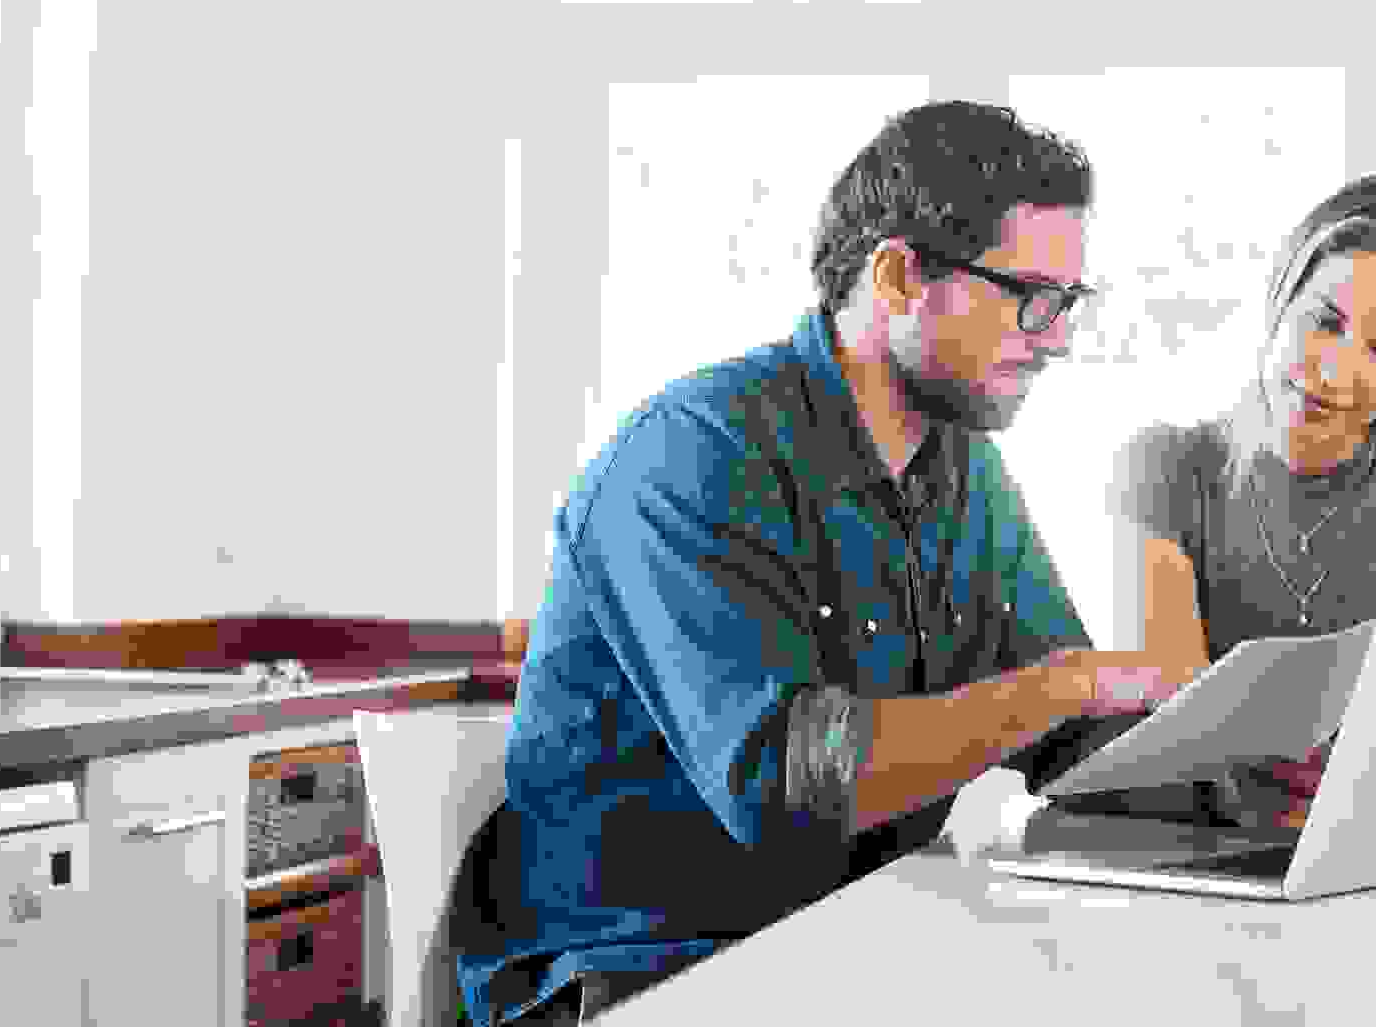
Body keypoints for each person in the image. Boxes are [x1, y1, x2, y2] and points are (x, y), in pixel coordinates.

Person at [446, 100, 1191, 1026]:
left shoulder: (965, 471)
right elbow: (792, 787)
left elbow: (1073, 734)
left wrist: (1228, 761)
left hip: (835, 946)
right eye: (1029, 296)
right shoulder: (696, 455)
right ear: (897, 276)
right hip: (631, 972)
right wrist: (1066, 685)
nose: (1056, 335)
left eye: (1068, 301)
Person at [1083, 172, 1376, 831]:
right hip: (1221, 868)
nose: (1335, 372)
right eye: (1325, 322)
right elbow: (1176, 744)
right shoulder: (1164, 469)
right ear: (1285, 293)